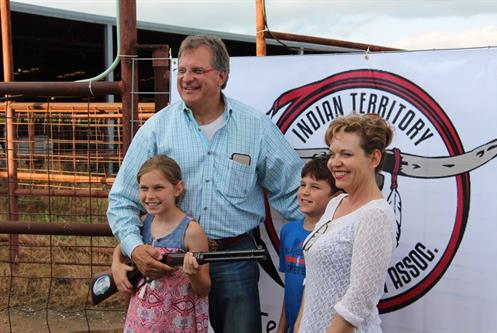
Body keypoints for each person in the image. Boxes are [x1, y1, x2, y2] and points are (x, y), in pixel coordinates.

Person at [107, 35, 303, 333]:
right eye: (182, 71)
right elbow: (122, 201)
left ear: (221, 76)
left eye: (197, 71)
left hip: (234, 258)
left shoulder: (256, 127)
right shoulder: (157, 129)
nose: (187, 78)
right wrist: (133, 250)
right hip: (169, 264)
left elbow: (292, 193)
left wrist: (329, 232)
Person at [294, 113, 396, 333]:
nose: (335, 162)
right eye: (333, 154)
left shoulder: (375, 215)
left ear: (374, 159)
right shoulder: (336, 202)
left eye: (346, 154)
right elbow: (312, 282)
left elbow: (357, 303)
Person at [110, 155, 210, 332]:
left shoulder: (191, 231)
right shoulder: (142, 223)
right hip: (141, 319)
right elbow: (122, 246)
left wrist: (193, 274)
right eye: (144, 188)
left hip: (177, 321)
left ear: (178, 188)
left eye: (158, 188)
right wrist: (116, 265)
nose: (149, 196)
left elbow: (203, 289)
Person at [277, 156, 342, 333]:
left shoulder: (338, 237)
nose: (305, 192)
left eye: (315, 187)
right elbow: (290, 288)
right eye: (303, 184)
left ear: (336, 196)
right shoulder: (288, 232)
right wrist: (281, 329)